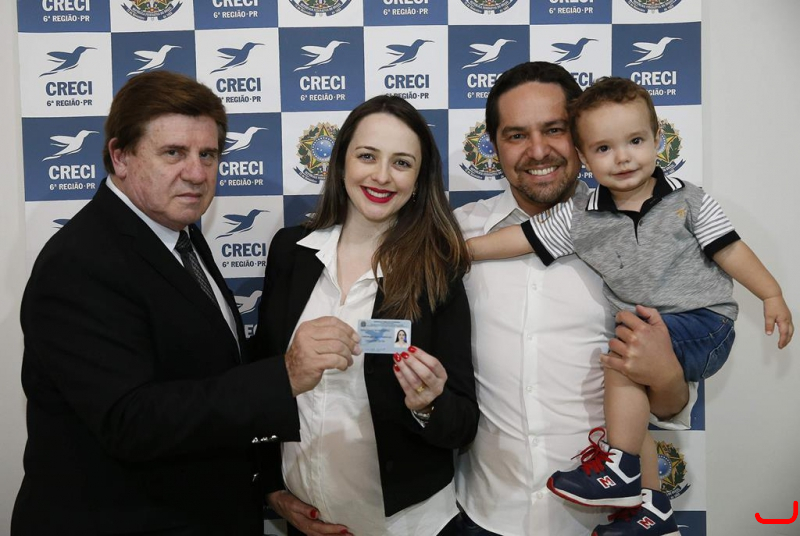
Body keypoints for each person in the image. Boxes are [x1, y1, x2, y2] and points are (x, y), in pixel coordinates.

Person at [11, 71, 359, 536]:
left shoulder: (177, 232)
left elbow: (209, 371)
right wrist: (284, 376)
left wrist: (266, 481)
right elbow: (130, 422)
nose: (196, 173)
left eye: (207, 155)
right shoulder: (80, 262)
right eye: (173, 153)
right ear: (120, 156)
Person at [467, 76, 794, 534]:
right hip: (489, 506)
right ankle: (651, 506)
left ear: (658, 139)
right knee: (625, 381)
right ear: (586, 154)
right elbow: (519, 239)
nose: (622, 157)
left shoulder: (688, 199)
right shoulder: (578, 219)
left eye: (635, 141)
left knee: (623, 357)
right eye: (604, 148)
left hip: (706, 323)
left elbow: (731, 249)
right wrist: (459, 250)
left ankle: (619, 468)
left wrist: (771, 294)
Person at [453, 62, 698, 536]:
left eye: (555, 129)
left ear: (583, 135)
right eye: (516, 135)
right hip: (483, 514)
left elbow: (671, 404)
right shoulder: (456, 235)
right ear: (494, 147)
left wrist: (666, 373)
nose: (538, 150)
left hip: (604, 524)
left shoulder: (646, 236)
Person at [250, 95, 478, 536]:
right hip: (306, 520)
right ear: (341, 163)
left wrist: (429, 404)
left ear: (419, 179)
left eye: (402, 163)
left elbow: (462, 424)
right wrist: (272, 488)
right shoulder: (290, 251)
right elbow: (260, 379)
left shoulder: (437, 269)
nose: (382, 176)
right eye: (367, 156)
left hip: (406, 526)